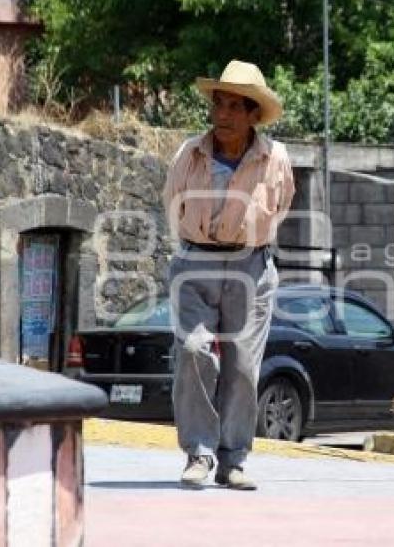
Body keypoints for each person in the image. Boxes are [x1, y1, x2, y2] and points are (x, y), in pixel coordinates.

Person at [162, 59, 295, 490]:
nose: (223, 114)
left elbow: (283, 205)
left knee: (243, 367)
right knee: (195, 350)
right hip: (194, 263)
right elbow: (172, 201)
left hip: (250, 267)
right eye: (218, 104)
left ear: (254, 114)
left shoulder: (275, 158)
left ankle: (233, 460)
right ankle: (198, 453)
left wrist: (247, 240)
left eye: (235, 106)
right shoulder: (190, 153)